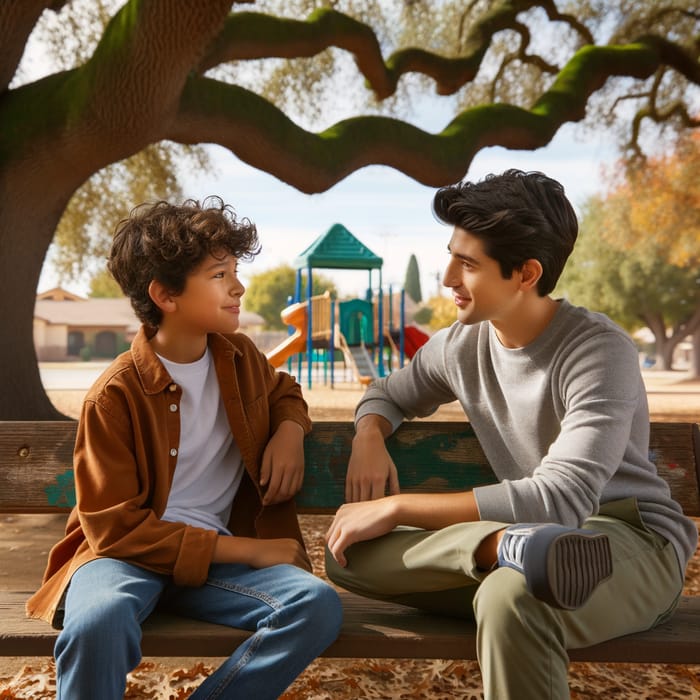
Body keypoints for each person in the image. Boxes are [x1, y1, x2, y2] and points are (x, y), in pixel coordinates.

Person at [325, 170, 697, 699]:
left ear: (526, 273)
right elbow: (388, 392)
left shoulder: (599, 352)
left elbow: (560, 498)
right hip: (526, 543)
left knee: (510, 600)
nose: (448, 277)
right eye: (451, 254)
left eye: (469, 263)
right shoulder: (461, 345)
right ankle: (505, 547)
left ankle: (512, 553)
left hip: (630, 542)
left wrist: (398, 507)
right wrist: (369, 434)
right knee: (344, 553)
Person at [27, 196, 342, 699]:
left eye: (236, 270)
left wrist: (289, 430)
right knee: (97, 625)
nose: (239, 285)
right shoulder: (114, 396)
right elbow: (115, 529)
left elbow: (285, 390)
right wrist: (252, 550)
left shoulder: (239, 357)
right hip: (123, 559)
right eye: (220, 275)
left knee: (316, 605)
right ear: (166, 296)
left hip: (215, 568)